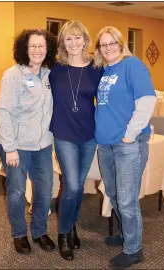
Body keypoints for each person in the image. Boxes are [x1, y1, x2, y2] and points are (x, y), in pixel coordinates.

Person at [94, 26, 156, 268]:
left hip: (127, 144)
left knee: (127, 199)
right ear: (99, 48)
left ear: (121, 44)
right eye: (103, 44)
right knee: (114, 194)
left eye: (112, 43)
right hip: (106, 144)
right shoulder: (106, 70)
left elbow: (147, 101)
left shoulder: (133, 65)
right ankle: (128, 235)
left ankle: (133, 250)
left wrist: (130, 135)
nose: (108, 47)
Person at [0, 29, 57, 255]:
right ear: (24, 49)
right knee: (17, 191)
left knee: (45, 189)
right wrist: (10, 148)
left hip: (42, 145)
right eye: (33, 46)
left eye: (41, 46)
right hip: (16, 146)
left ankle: (40, 232)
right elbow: (4, 112)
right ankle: (19, 234)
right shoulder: (13, 75)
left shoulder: (50, 73)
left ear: (47, 49)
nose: (38, 50)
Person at [49, 20, 103, 261]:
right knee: (71, 185)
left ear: (85, 40)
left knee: (78, 186)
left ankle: (71, 226)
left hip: (89, 135)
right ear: (63, 42)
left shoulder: (96, 67)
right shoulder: (55, 67)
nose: (73, 43)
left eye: (77, 37)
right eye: (68, 38)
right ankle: (63, 234)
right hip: (63, 134)